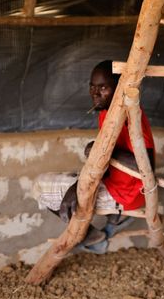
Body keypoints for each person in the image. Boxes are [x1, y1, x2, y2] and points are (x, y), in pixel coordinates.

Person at [32, 60, 156, 253]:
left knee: (39, 186)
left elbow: (148, 167)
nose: (95, 93)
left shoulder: (131, 117)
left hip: (127, 194)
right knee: (65, 184)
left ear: (119, 88)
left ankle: (92, 237)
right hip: (117, 185)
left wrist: (102, 150)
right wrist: (79, 184)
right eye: (92, 87)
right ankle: (108, 225)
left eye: (103, 88)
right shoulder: (108, 112)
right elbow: (103, 161)